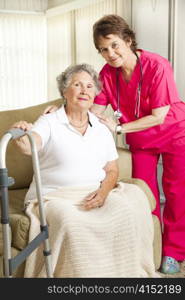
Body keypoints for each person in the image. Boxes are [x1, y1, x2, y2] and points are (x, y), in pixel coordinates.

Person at [44, 15, 185, 275]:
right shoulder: (107, 74)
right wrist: (62, 109)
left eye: (115, 45)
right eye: (103, 49)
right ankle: (150, 246)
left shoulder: (157, 65)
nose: (110, 53)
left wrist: (119, 127)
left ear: (128, 40)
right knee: (145, 196)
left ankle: (174, 252)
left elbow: (159, 115)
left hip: (175, 133)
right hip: (142, 140)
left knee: (177, 195)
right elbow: (92, 107)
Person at [11, 63, 158, 278]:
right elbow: (28, 146)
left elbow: (112, 170)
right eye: (77, 84)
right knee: (71, 223)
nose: (84, 91)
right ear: (64, 91)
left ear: (95, 94)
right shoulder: (50, 121)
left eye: (90, 86)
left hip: (94, 192)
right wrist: (22, 134)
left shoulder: (100, 127)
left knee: (127, 211)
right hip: (55, 197)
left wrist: (104, 192)